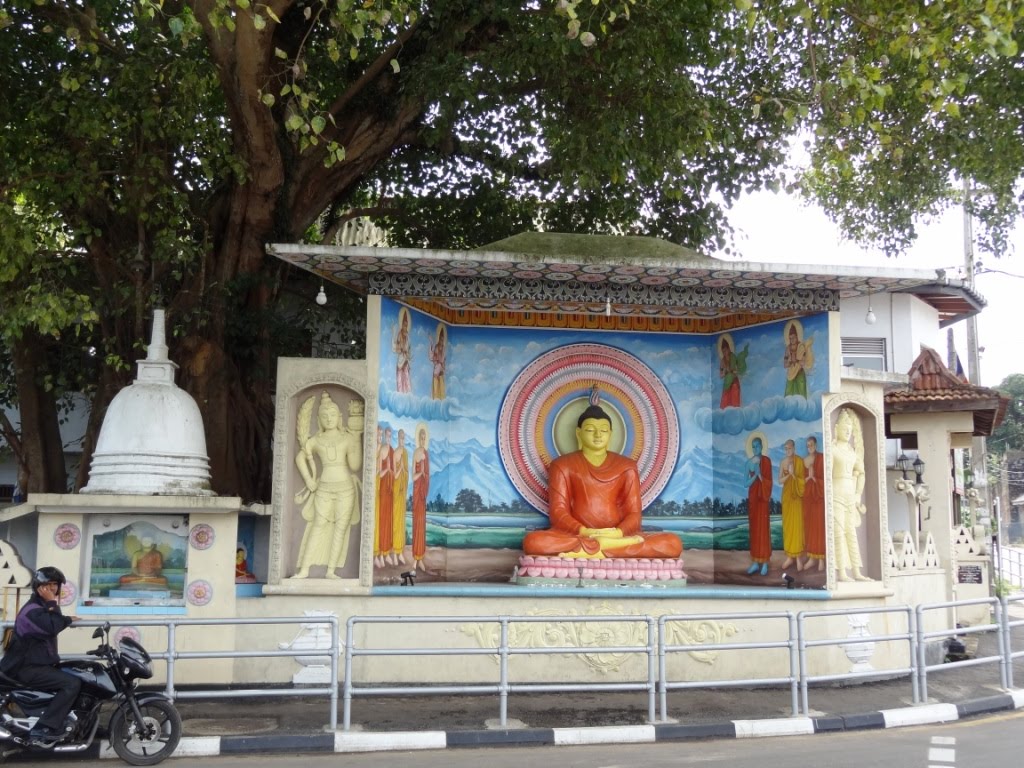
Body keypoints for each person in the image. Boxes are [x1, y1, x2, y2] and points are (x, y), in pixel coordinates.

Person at [521, 404, 683, 559]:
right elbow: (558, 512)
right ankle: (611, 547)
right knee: (534, 542)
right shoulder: (562, 465)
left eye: (603, 430)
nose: (598, 435)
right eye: (590, 429)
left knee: (672, 543)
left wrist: (618, 533)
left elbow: (634, 514)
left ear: (610, 434)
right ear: (579, 433)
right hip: (578, 535)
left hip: (617, 535)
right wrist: (584, 532)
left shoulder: (626, 466)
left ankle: (598, 548)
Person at [0, 567, 79, 747]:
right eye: (47, 585)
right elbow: (51, 626)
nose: (51, 589)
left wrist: (66, 619)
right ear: (38, 587)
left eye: (54, 585)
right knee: (71, 683)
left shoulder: (40, 608)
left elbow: (54, 621)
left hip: (35, 665)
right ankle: (45, 727)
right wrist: (53, 604)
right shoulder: (32, 611)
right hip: (25, 668)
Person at [294, 392, 363, 578]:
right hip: (324, 487)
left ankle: (331, 571)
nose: (329, 418)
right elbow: (300, 457)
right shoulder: (316, 440)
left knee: (340, 528)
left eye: (333, 415)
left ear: (340, 417)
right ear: (319, 419)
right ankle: (304, 569)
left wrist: (356, 438)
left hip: (345, 489)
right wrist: (309, 479)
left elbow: (355, 465)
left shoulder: (346, 438)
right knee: (318, 525)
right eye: (325, 416)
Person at [831, 408, 870, 582]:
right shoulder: (832, 450)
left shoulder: (852, 452)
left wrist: (858, 494)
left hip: (849, 494)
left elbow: (861, 473)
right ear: (836, 428)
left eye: (849, 430)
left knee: (851, 533)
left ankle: (856, 571)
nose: (847, 432)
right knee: (838, 532)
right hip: (836, 493)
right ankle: (841, 572)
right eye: (844, 429)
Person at [745, 434, 773, 576]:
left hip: (763, 501)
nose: (755, 448)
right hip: (754, 500)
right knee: (755, 531)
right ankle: (756, 562)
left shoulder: (767, 461)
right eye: (753, 446)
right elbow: (746, 483)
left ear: (762, 447)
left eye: (757, 446)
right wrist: (755, 476)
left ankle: (765, 562)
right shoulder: (748, 462)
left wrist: (760, 476)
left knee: (763, 530)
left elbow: (769, 483)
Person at [778, 438, 806, 571]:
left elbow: (802, 482)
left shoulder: (799, 461)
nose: (788, 450)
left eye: (790, 448)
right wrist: (788, 475)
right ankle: (790, 557)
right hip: (787, 498)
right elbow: (780, 481)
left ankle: (799, 558)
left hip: (797, 499)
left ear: (794, 448)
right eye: (786, 448)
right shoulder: (783, 462)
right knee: (788, 527)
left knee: (797, 526)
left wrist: (793, 474)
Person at [802, 435, 827, 571]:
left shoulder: (821, 458)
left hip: (819, 498)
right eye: (807, 445)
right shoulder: (805, 460)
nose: (810, 447)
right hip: (809, 500)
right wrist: (808, 478)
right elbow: (801, 482)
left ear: (816, 445)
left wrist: (815, 478)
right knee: (810, 528)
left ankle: (821, 559)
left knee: (819, 528)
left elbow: (826, 479)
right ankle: (812, 558)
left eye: (811, 444)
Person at [374, 426, 395, 567]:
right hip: (380, 491)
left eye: (386, 436)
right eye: (381, 436)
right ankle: (378, 554)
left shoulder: (391, 451)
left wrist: (392, 472)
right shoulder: (380, 451)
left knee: (388, 522)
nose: (383, 439)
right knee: (380, 523)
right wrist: (386, 470)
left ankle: (386, 552)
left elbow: (392, 473)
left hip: (389, 491)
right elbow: (378, 474)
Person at [411, 425, 430, 571]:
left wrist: (425, 474)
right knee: (416, 524)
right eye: (421, 437)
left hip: (422, 494)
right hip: (416, 492)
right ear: (418, 438)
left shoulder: (426, 453)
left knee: (421, 525)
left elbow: (427, 476)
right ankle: (415, 558)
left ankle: (421, 558)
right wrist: (421, 473)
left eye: (424, 438)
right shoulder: (415, 453)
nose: (423, 440)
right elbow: (413, 476)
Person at [391, 428, 409, 565]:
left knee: (401, 523)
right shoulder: (395, 453)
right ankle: (395, 554)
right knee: (396, 523)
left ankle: (400, 552)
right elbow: (394, 475)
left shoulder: (406, 453)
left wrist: (404, 470)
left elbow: (407, 474)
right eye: (400, 438)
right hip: (396, 492)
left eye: (404, 438)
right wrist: (401, 468)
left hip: (402, 493)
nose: (402, 440)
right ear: (398, 438)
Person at [783, 321, 813, 398]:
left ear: (797, 337)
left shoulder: (801, 347)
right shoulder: (787, 349)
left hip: (799, 373)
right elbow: (785, 365)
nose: (791, 340)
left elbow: (803, 362)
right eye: (790, 338)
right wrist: (789, 362)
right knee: (788, 394)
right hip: (790, 374)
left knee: (801, 395)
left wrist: (796, 361)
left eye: (793, 337)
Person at [718, 334, 748, 409]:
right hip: (727, 384)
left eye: (726, 350)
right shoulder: (722, 361)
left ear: (729, 349)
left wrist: (734, 371)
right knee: (725, 402)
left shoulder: (733, 357)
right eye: (723, 351)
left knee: (734, 400)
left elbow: (738, 370)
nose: (724, 353)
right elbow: (721, 375)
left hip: (734, 382)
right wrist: (724, 372)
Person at [393, 308, 412, 394]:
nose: (405, 327)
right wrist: (401, 349)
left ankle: (408, 396)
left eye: (407, 325)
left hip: (406, 360)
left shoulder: (408, 336)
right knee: (400, 380)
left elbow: (409, 348)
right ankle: (400, 396)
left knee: (407, 379)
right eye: (404, 325)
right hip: (401, 359)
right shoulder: (400, 335)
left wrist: (408, 354)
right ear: (402, 325)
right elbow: (397, 347)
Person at [428, 324, 447, 400]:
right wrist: (431, 343)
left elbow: (443, 360)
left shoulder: (444, 349)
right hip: (436, 369)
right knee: (435, 388)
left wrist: (441, 363)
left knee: (441, 388)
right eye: (440, 339)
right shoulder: (436, 347)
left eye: (443, 339)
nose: (441, 341)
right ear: (439, 338)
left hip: (441, 370)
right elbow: (432, 357)